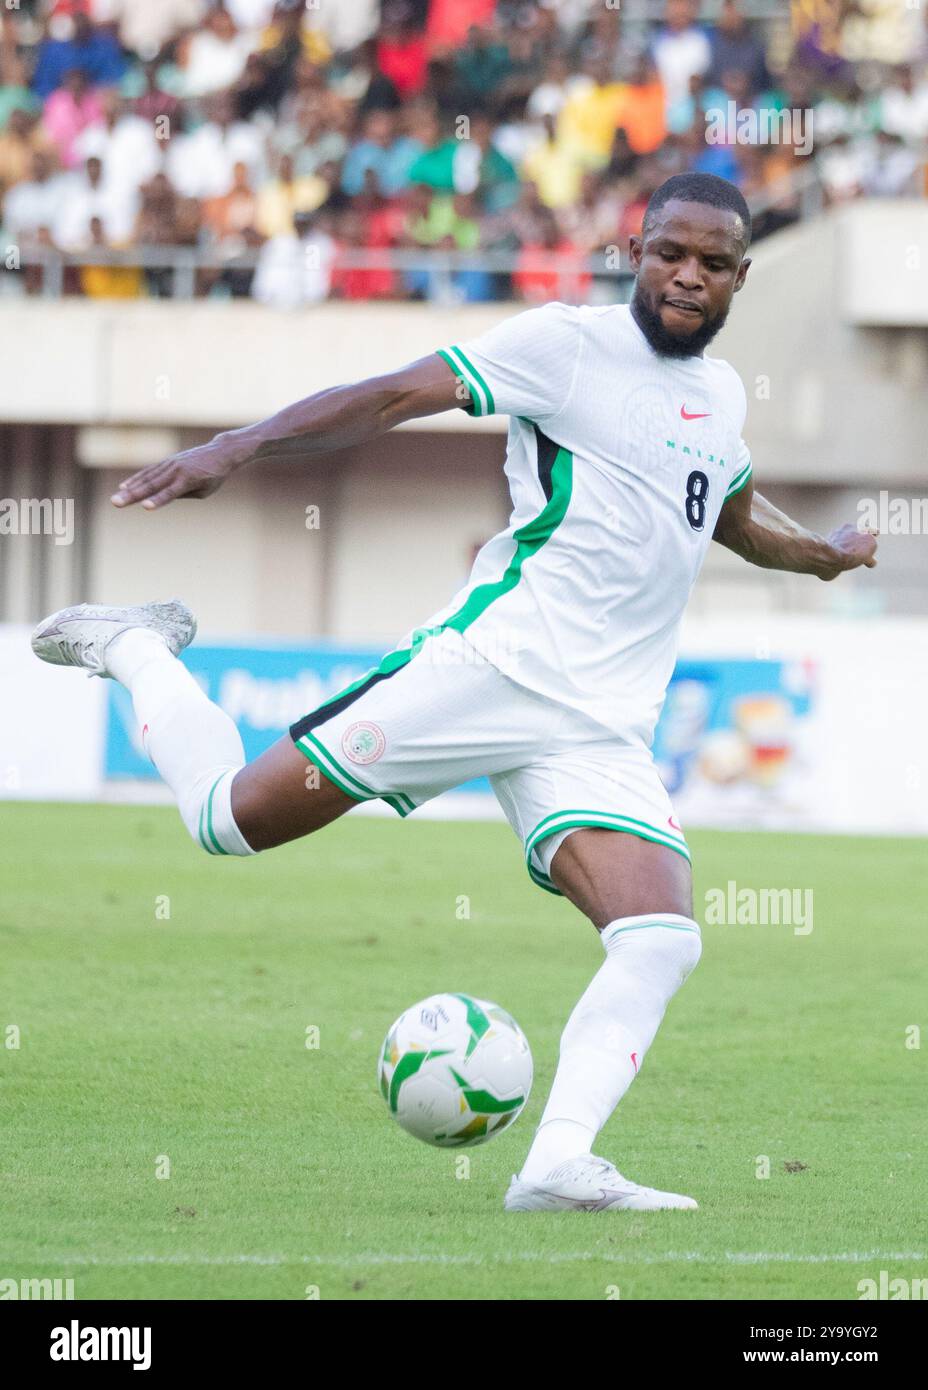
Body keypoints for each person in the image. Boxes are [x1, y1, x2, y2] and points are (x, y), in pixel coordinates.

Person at [32, 173, 878, 1213]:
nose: (686, 277)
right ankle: (136, 648)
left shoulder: (720, 402)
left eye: (711, 263)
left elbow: (737, 518)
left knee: (660, 937)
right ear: (635, 250)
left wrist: (825, 557)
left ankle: (556, 1164)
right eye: (669, 252)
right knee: (226, 821)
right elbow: (391, 395)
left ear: (740, 278)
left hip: (599, 723)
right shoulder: (564, 348)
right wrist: (237, 447)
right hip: (488, 668)